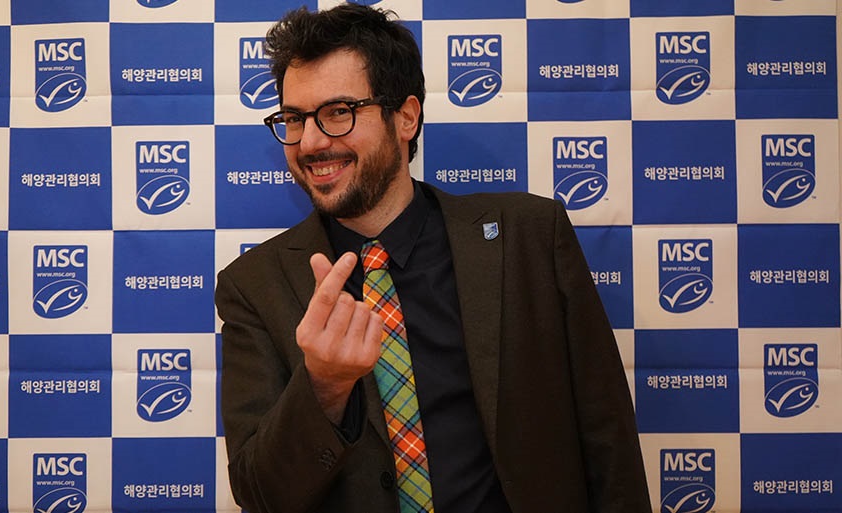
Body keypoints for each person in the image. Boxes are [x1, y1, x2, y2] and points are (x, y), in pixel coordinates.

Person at [215, 4, 652, 513]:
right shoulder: (254, 285)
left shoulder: (529, 237)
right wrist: (325, 385)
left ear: (406, 117)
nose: (310, 142)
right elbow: (261, 494)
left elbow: (608, 439)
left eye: (338, 112)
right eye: (294, 118)